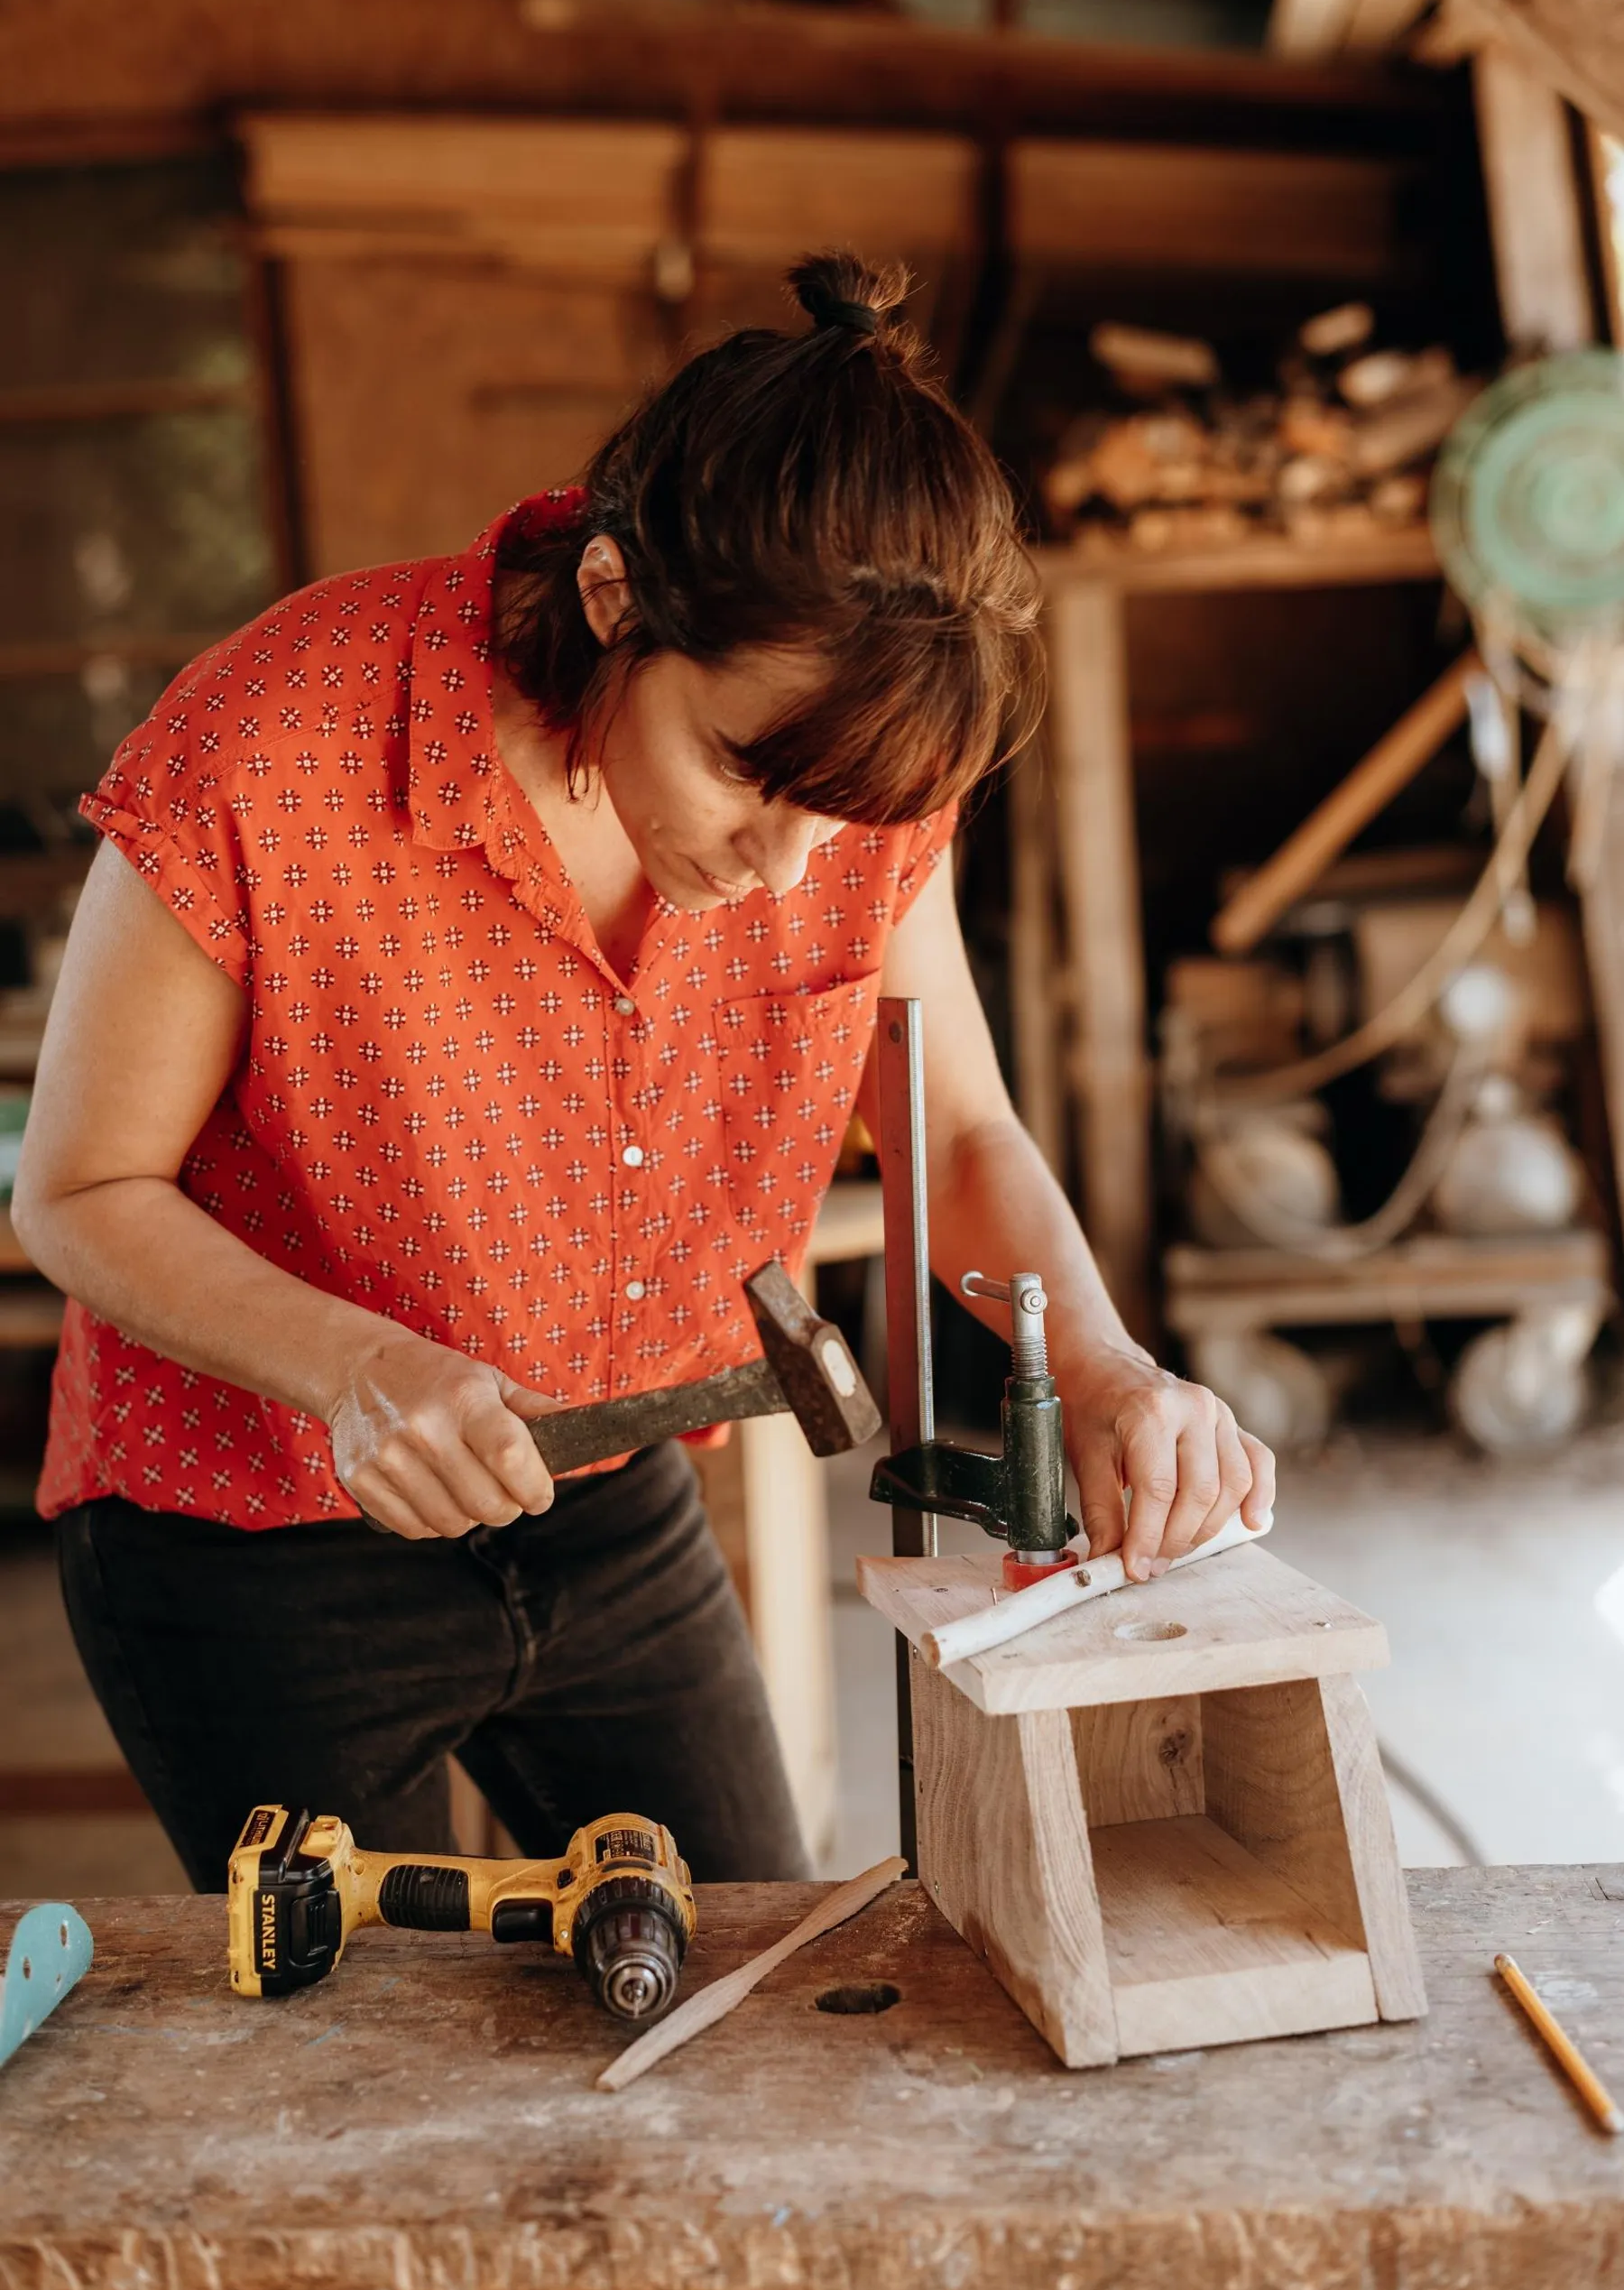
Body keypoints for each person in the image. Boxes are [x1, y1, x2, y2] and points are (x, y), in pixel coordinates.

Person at [14, 254, 1273, 1891]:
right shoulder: (274, 745)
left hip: (607, 1501)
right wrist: (358, 1369)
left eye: (845, 819)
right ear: (614, 598)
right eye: (746, 774)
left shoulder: (845, 793)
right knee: (368, 2059)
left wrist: (1101, 1363)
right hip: (254, 1535)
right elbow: (77, 1189)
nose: (787, 860)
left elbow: (948, 1125)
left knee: (748, 1963)